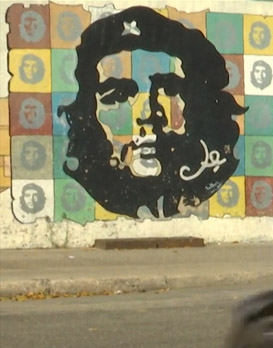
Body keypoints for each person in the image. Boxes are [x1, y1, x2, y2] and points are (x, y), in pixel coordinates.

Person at [58, 6, 247, 219]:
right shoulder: (97, 181)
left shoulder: (209, 175)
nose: (147, 117)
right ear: (89, 108)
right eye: (118, 97)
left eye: (169, 93)